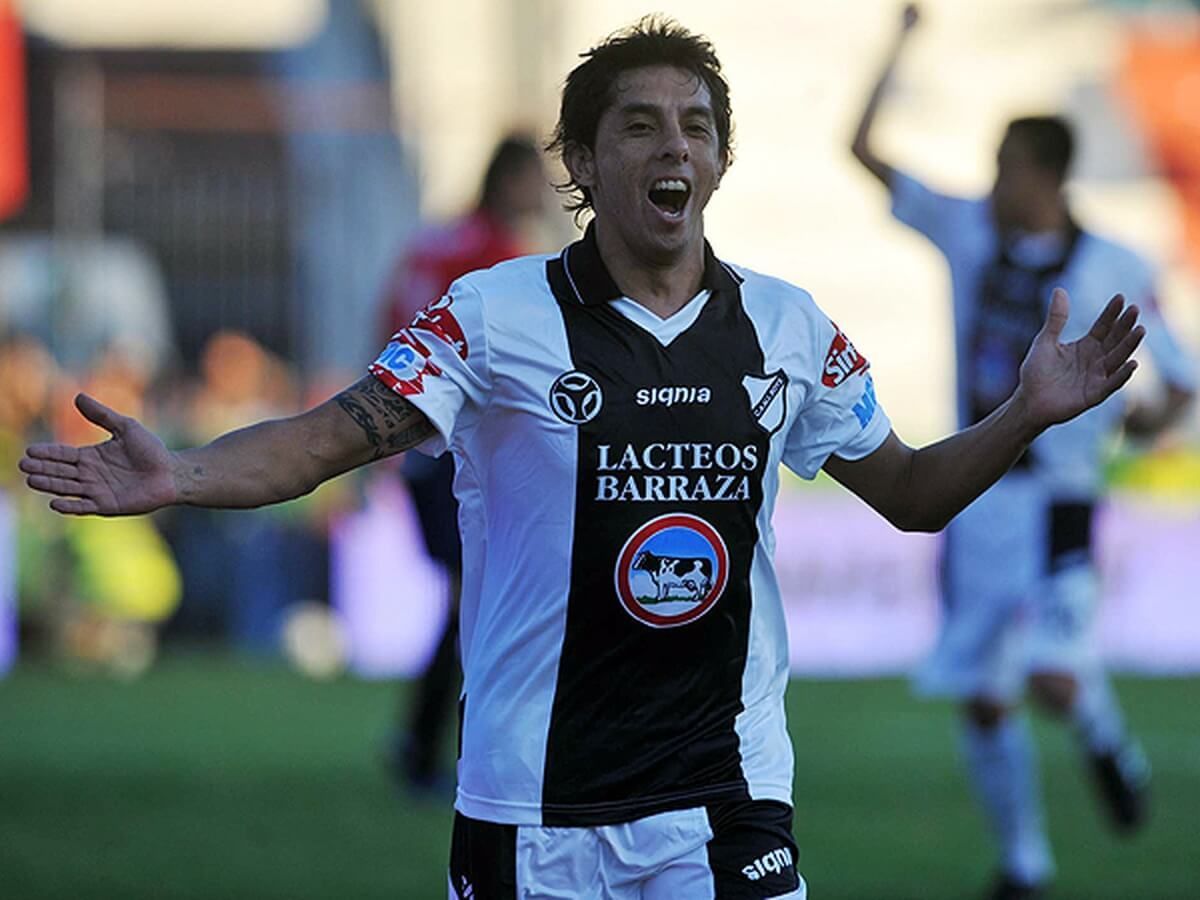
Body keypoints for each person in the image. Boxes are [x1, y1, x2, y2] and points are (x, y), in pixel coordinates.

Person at [21, 17, 1147, 899]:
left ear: (721, 160)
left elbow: (908, 495)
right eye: (641, 125)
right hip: (531, 805)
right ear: (583, 161)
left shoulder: (788, 327)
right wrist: (184, 472)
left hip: (727, 794)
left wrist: (1025, 415)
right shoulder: (494, 317)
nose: (674, 147)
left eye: (697, 125)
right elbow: (322, 441)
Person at [850, 6, 1197, 899]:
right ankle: (1024, 866)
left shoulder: (1113, 261)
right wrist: (901, 42)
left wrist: (1152, 429)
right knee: (983, 693)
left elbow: (1181, 376)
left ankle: (1106, 743)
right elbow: (860, 148)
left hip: (1062, 500)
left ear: (1043, 172)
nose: (991, 180)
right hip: (976, 496)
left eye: (1005, 165)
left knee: (1047, 676)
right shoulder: (968, 230)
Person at [378, 135, 548, 794]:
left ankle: (425, 746)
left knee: (467, 603)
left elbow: (388, 327)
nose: (542, 194)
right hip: (461, 452)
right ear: (507, 180)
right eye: (536, 179)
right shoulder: (498, 259)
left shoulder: (431, 243)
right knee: (481, 604)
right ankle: (446, 750)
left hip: (416, 445)